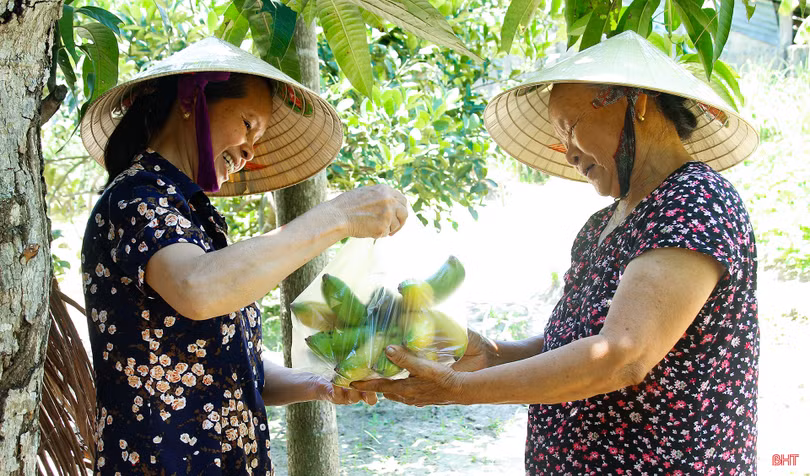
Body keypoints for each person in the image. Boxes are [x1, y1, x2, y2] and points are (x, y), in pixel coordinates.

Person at [354, 31, 760, 475]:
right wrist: (490, 354)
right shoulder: (599, 228)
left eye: (569, 128)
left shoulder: (696, 200)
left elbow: (622, 355)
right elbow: (570, 346)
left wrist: (458, 389)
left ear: (637, 102)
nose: (568, 154)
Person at [80, 37, 407, 475]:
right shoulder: (135, 197)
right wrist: (337, 216)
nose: (251, 149)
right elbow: (198, 288)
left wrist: (320, 384)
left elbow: (232, 365)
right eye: (249, 124)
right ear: (191, 99)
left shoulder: (193, 217)